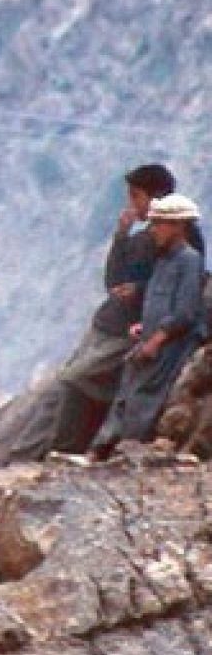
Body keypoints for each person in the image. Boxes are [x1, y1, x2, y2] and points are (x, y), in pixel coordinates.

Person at [0, 164, 192, 465]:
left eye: (137, 197)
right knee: (61, 388)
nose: (132, 205)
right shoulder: (143, 238)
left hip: (128, 331)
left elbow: (177, 293)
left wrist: (140, 295)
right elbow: (113, 281)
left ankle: (59, 452)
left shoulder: (179, 243)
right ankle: (23, 456)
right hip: (108, 324)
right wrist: (121, 237)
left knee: (75, 382)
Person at [87, 193, 206, 459]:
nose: (153, 231)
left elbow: (185, 312)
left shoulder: (189, 260)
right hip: (152, 338)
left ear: (178, 226)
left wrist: (156, 340)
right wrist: (143, 327)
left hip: (170, 346)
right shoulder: (163, 261)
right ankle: (98, 452)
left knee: (144, 396)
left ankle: (127, 451)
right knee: (125, 393)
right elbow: (160, 301)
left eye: (160, 224)